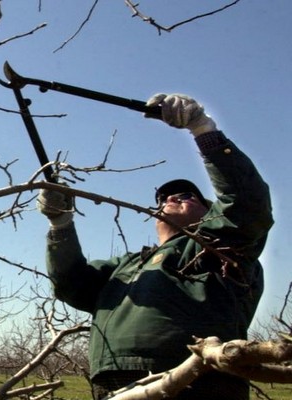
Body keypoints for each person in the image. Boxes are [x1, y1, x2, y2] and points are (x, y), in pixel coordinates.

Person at [37, 93, 273, 400]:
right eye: (162, 199)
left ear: (211, 213)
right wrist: (60, 224)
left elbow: (247, 205)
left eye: (186, 196)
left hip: (199, 378)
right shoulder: (127, 264)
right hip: (113, 382)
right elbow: (71, 284)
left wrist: (204, 129)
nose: (169, 199)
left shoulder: (219, 248)